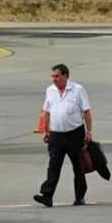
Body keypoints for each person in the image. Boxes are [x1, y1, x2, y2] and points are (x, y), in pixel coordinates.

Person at [34, 64, 93, 207]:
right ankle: (47, 195)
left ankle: (80, 196)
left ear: (66, 76)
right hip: (56, 135)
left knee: (78, 167)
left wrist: (89, 131)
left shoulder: (77, 90)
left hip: (75, 134)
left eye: (57, 76)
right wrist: (45, 131)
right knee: (53, 165)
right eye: (53, 76)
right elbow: (46, 112)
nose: (54, 79)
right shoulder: (50, 90)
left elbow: (86, 112)